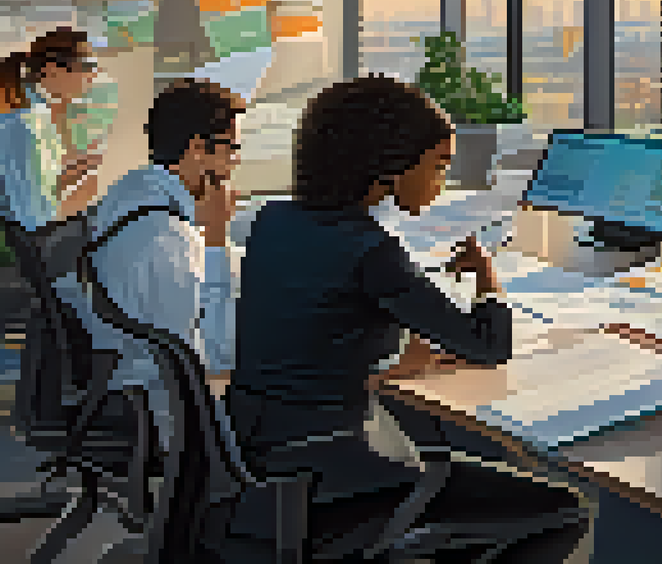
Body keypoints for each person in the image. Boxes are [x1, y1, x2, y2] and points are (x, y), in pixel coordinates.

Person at [224, 75, 590, 563]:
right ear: (389, 168)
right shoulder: (371, 250)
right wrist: (487, 280)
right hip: (333, 468)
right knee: (565, 508)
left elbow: (306, 331)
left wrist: (386, 360)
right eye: (438, 166)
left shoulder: (272, 220)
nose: (441, 182)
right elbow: (489, 346)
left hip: (260, 452)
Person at [56, 77, 244, 450]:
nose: (234, 162)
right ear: (196, 149)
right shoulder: (166, 236)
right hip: (162, 405)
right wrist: (216, 240)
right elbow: (212, 353)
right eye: (230, 148)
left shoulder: (128, 196)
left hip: (133, 378)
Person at [0, 25, 103, 232]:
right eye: (87, 66)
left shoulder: (33, 114)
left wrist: (64, 179)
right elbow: (31, 219)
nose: (93, 75)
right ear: (52, 71)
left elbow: (26, 191)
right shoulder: (27, 123)